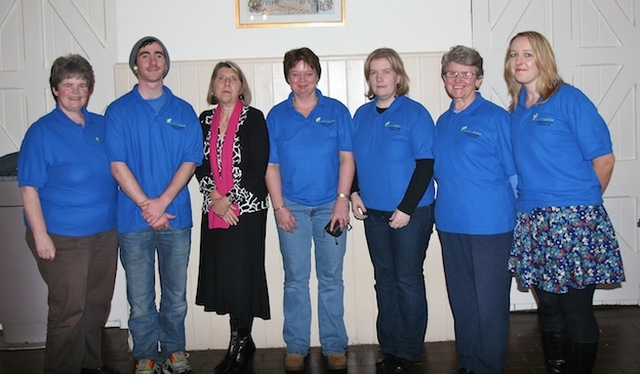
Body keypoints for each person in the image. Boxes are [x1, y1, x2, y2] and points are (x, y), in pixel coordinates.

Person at [505, 30, 625, 373]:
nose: (519, 61)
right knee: (550, 309)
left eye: (528, 54)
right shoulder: (516, 110)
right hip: (532, 219)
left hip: (574, 221)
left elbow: (604, 159)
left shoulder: (570, 99)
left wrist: (579, 206)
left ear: (543, 58)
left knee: (576, 310)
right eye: (514, 55)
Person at [104, 36, 203, 374]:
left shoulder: (184, 111)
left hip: (176, 218)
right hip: (133, 220)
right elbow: (117, 164)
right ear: (135, 64)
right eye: (144, 55)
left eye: (158, 55)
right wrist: (148, 205)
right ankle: (145, 353)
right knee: (141, 299)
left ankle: (175, 350)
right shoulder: (118, 111)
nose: (152, 60)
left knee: (175, 296)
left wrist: (161, 203)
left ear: (165, 64)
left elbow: (190, 161)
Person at [17, 54, 120, 374]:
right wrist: (41, 236)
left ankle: (90, 365)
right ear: (54, 90)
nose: (76, 91)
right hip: (62, 237)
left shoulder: (101, 126)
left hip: (104, 233)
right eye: (68, 85)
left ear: (90, 89)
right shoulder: (42, 132)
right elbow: (29, 188)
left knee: (96, 307)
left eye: (82, 85)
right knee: (68, 310)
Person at [265, 47, 354, 372]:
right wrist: (279, 208)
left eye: (308, 73)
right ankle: (296, 346)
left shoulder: (336, 111)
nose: (302, 80)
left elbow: (347, 158)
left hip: (332, 207)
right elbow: (270, 166)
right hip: (293, 210)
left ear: (318, 74)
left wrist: (342, 199)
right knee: (295, 280)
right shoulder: (276, 116)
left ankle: (333, 345)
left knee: (331, 279)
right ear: (287, 77)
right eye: (295, 74)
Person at [350, 47, 435, 373]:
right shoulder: (362, 115)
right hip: (373, 214)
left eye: (386, 71)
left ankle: (410, 352)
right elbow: (353, 160)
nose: (380, 78)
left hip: (411, 214)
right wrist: (355, 192)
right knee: (384, 281)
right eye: (374, 72)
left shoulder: (415, 114)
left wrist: (406, 207)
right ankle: (391, 347)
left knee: (408, 280)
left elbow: (426, 165)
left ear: (398, 76)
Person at [433, 45, 516, 374]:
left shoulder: (497, 118)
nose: (458, 79)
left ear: (478, 80)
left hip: (491, 226)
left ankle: (490, 366)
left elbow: (514, 175)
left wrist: (522, 220)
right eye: (452, 73)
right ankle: (468, 362)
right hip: (450, 223)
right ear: (443, 78)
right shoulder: (442, 121)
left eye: (466, 74)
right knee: (463, 300)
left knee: (490, 304)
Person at [194, 61, 271, 374]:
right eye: (220, 78)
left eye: (233, 78)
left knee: (243, 277)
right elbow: (197, 162)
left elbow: (257, 166)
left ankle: (240, 342)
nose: (226, 83)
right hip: (214, 209)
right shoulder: (203, 120)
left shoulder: (254, 119)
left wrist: (231, 200)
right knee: (225, 277)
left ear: (242, 87)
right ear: (213, 86)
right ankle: (242, 340)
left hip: (247, 212)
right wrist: (215, 197)